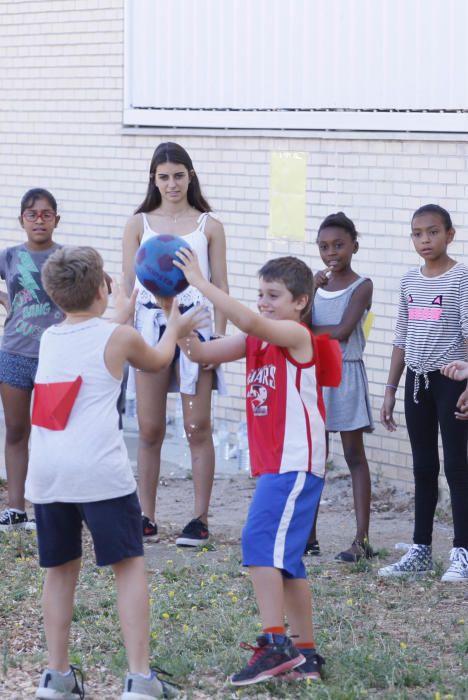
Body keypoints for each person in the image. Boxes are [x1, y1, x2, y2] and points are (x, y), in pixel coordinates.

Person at [25, 246, 207, 699]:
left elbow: (99, 333)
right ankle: (140, 678)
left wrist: (118, 311)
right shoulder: (118, 337)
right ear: (104, 287)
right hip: (99, 473)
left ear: (54, 295)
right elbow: (159, 359)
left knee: (60, 570)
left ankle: (57, 676)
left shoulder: (50, 337)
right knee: (128, 568)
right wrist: (176, 325)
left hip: (48, 474)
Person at [173, 250, 337, 686]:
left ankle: (274, 643)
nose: (263, 302)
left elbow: (249, 321)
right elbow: (201, 353)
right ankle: (305, 656)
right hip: (277, 464)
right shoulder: (256, 339)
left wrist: (204, 283)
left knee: (258, 542)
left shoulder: (294, 334)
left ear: (301, 301)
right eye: (260, 294)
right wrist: (178, 319)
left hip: (296, 460)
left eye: (274, 295)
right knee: (288, 564)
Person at [123, 142, 228, 546]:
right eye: (164, 176)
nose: (172, 184)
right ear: (154, 179)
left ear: (191, 176)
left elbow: (221, 285)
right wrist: (125, 334)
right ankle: (145, 516)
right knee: (149, 428)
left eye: (179, 176)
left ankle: (199, 519)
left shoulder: (209, 226)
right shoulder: (138, 224)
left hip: (195, 325)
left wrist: (217, 339)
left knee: (197, 425)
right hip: (150, 324)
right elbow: (129, 288)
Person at [380, 204, 468, 582]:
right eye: (417, 233)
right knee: (423, 466)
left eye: (433, 232)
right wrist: (389, 389)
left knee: (457, 466)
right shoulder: (408, 281)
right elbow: (402, 336)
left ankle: (462, 552)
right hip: (417, 382)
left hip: (452, 381)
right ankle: (420, 550)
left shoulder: (461, 277)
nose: (425, 240)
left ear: (450, 234)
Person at [306, 212, 374, 562]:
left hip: (345, 374)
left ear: (354, 246)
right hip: (316, 376)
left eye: (338, 245)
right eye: (323, 246)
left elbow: (343, 330)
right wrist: (310, 289)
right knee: (315, 456)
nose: (331, 252)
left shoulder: (362, 286)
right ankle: (310, 536)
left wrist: (305, 334)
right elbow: (298, 321)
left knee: (354, 456)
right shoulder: (315, 286)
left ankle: (361, 540)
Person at [0, 188, 65, 531]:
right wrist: (5, 299)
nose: (39, 220)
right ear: (21, 220)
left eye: (46, 214)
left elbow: (92, 278)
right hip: (13, 352)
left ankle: (50, 506)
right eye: (32, 214)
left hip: (55, 357)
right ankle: (15, 508)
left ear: (56, 219)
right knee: (15, 430)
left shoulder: (66, 257)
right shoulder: (9, 256)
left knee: (51, 433)